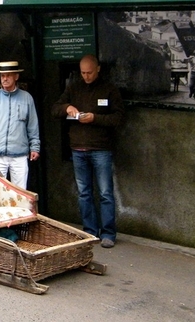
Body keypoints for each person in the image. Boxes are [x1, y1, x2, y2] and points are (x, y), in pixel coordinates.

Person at [51, 54, 124, 248]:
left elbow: (118, 118)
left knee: (105, 192)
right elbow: (55, 109)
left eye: (89, 72)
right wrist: (68, 108)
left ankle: (108, 233)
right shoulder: (74, 87)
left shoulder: (109, 89)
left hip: (101, 148)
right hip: (78, 148)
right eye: (83, 73)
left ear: (97, 69)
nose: (86, 76)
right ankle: (90, 231)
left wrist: (95, 118)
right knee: (84, 192)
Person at [0, 61, 40, 189]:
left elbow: (32, 125)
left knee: (20, 193)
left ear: (16, 77)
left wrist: (35, 147)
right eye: (2, 76)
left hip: (20, 155)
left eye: (8, 75)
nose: (5, 79)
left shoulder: (26, 98)